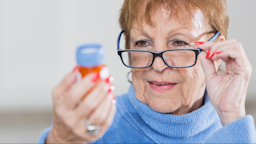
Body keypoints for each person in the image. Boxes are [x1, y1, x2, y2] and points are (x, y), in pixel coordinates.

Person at [38, 0, 256, 143]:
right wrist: (59, 139)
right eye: (143, 42)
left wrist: (231, 116)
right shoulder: (95, 128)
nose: (158, 66)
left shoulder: (235, 131)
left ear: (215, 51)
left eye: (179, 42)